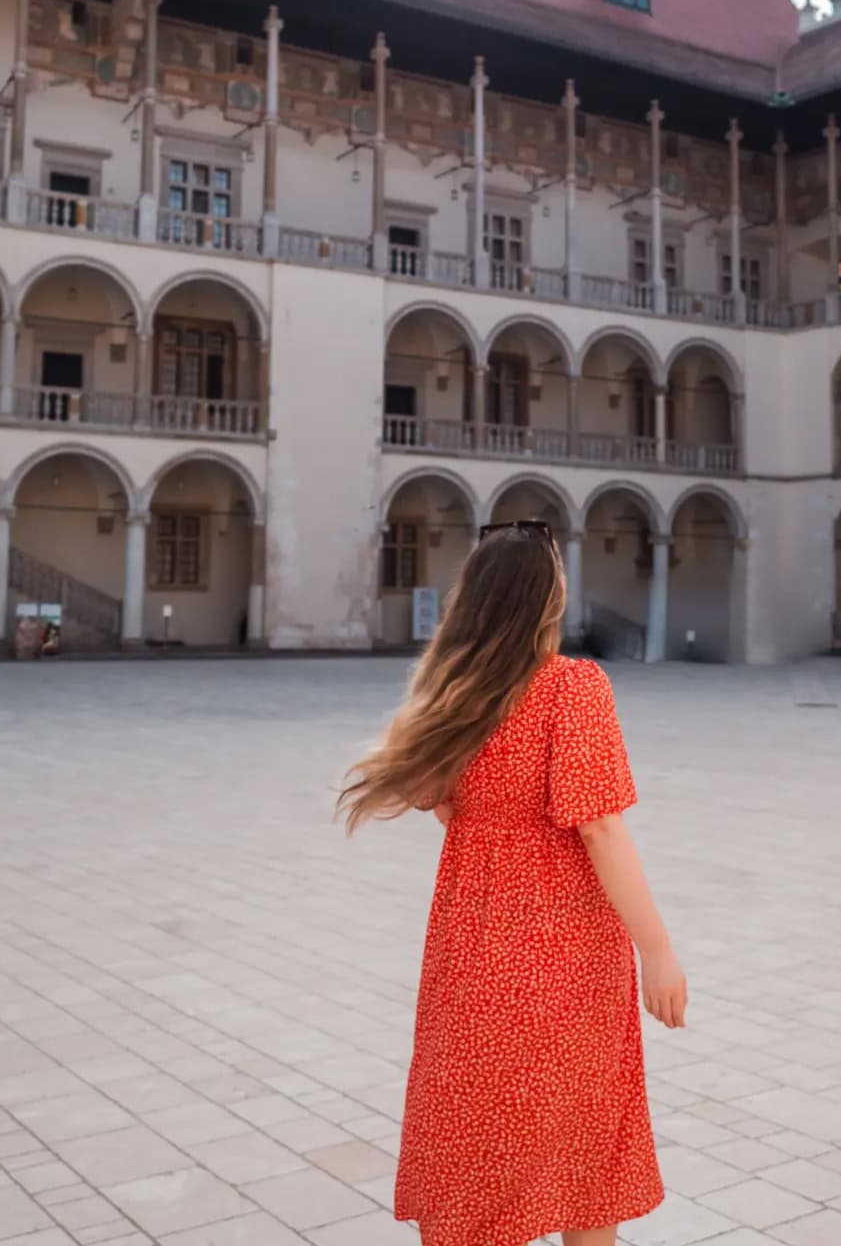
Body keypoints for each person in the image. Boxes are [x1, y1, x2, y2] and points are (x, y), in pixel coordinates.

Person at [337, 519, 686, 1246]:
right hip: (567, 953)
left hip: (471, 954)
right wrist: (656, 948)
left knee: (474, 1150)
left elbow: (441, 806)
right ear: (545, 599)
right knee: (585, 1159)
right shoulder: (573, 688)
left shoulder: (451, 697)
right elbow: (599, 828)